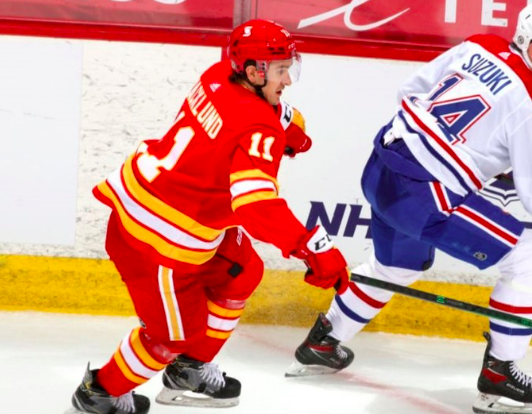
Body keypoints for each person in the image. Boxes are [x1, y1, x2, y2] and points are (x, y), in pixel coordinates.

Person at [286, 2, 532, 414]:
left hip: (382, 166)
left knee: (395, 267)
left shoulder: (480, 46)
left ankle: (322, 343)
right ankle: (500, 374)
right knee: (530, 258)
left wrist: (473, 156)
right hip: (423, 194)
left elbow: (411, 93)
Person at [65, 19, 349, 414]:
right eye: (282, 70)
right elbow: (256, 207)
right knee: (169, 337)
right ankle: (101, 393)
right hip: (159, 242)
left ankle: (191, 370)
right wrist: (314, 247)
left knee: (244, 269)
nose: (288, 80)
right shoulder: (258, 127)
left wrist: (287, 126)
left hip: (162, 207)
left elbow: (255, 114)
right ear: (254, 72)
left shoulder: (218, 75)